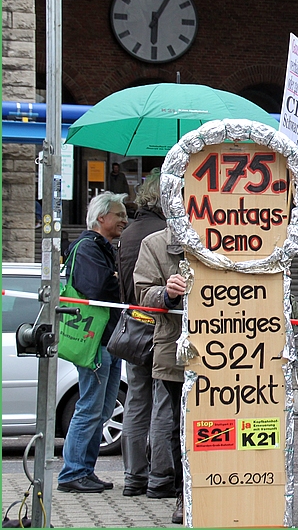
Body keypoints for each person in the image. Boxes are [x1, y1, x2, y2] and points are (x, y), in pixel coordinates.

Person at [56, 192, 128, 493]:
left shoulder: (102, 248)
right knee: (89, 407)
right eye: (119, 214)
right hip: (95, 340)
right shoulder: (88, 247)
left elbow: (111, 283)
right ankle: (72, 472)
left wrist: (113, 276)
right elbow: (99, 287)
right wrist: (114, 277)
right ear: (101, 218)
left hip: (107, 338)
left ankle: (85, 469)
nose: (125, 219)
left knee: (103, 408)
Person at [115, 170, 176, 499]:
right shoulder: (162, 234)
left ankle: (133, 476)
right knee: (163, 404)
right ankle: (160, 476)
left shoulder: (128, 232)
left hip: (132, 326)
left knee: (136, 402)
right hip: (159, 326)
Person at [134, 226, 187, 525]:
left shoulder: (225, 234)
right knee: (181, 427)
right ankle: (184, 494)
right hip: (175, 350)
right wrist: (166, 293)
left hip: (226, 350)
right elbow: (143, 293)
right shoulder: (154, 244)